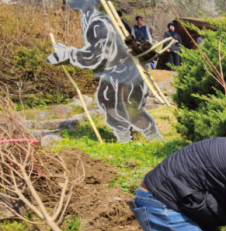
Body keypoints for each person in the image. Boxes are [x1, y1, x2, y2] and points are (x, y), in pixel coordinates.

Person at [46, 0, 160, 143]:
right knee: (114, 106)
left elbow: (96, 55)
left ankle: (151, 138)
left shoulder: (98, 23)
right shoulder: (91, 19)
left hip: (122, 73)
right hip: (118, 72)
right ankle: (127, 140)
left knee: (126, 108)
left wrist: (68, 55)